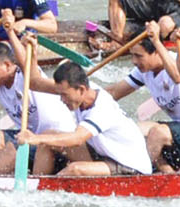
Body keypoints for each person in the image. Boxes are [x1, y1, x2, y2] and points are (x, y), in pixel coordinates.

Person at [20, 58, 153, 176]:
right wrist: (33, 53)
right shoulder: (81, 90)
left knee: (75, 169)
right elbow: (35, 83)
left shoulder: (101, 109)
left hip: (129, 165)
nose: (62, 100)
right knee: (47, 139)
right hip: (102, 153)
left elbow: (78, 138)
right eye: (60, 94)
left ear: (82, 90)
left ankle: (48, 192)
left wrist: (35, 138)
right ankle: (36, 184)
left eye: (65, 95)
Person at [0, 38, 75, 176]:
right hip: (28, 138)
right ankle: (3, 170)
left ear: (7, 65)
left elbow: (26, 62)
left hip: (56, 141)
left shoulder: (27, 75)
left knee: (13, 149)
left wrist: (11, 32)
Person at [106, 28, 180, 169]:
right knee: (134, 129)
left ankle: (140, 172)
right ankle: (164, 170)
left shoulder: (177, 60)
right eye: (132, 56)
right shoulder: (144, 71)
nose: (134, 61)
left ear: (156, 52)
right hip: (178, 125)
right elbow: (114, 92)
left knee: (157, 134)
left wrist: (156, 40)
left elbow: (178, 77)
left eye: (139, 56)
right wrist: (85, 96)